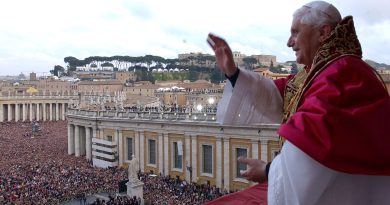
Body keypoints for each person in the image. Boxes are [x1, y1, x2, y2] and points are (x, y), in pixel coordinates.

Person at [206, 1, 390, 204]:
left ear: (323, 32)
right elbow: (276, 94)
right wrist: (233, 73)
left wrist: (268, 169)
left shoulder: (341, 75)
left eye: (295, 33)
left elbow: (312, 143)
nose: (289, 42)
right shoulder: (323, 71)